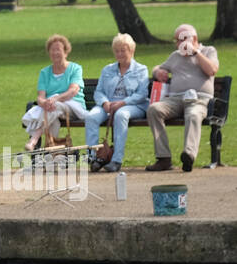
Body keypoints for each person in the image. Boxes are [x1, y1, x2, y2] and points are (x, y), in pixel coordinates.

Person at [145, 23, 220, 172]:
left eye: (183, 39)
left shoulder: (208, 51)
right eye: (177, 40)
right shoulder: (175, 56)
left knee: (193, 115)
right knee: (154, 110)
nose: (180, 43)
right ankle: (163, 158)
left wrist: (196, 53)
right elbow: (158, 68)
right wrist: (157, 72)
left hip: (198, 99)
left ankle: (189, 156)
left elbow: (212, 70)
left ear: (195, 39)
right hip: (175, 100)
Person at [82, 33, 149, 174]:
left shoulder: (141, 70)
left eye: (123, 50)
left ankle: (116, 160)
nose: (119, 54)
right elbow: (98, 91)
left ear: (131, 50)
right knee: (91, 117)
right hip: (109, 105)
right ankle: (94, 158)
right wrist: (104, 102)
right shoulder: (107, 69)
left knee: (121, 115)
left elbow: (142, 94)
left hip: (133, 106)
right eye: (117, 51)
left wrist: (123, 102)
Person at [21, 34, 87, 152]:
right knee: (53, 117)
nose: (55, 53)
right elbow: (40, 97)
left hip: (73, 106)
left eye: (59, 50)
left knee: (54, 106)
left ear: (66, 52)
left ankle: (34, 139)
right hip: (51, 109)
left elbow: (73, 91)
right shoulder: (44, 72)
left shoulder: (75, 68)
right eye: (52, 50)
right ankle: (52, 154)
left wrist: (55, 99)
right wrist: (44, 103)